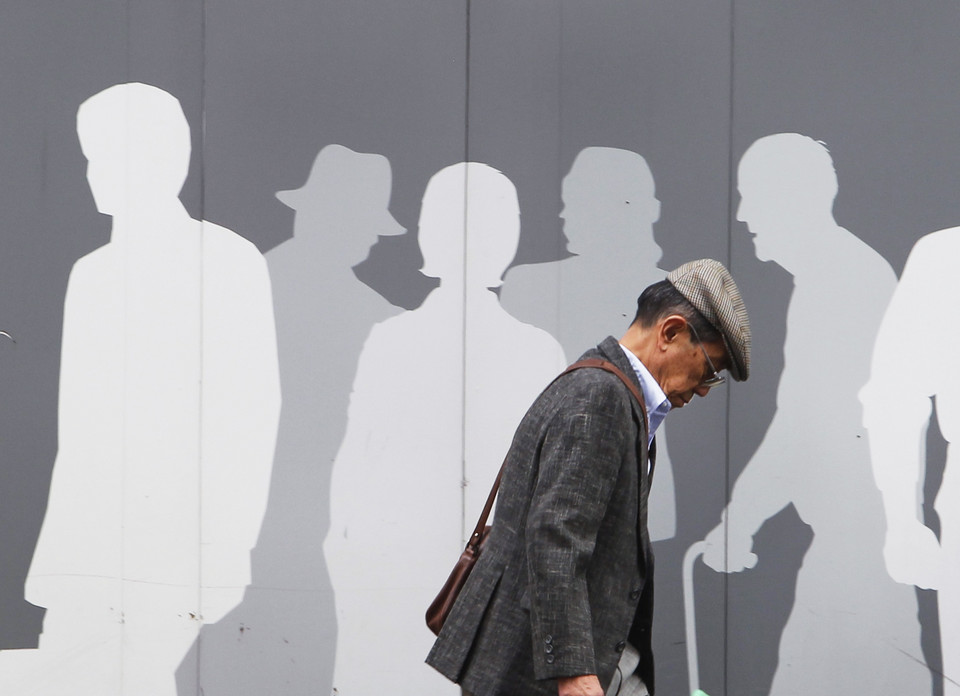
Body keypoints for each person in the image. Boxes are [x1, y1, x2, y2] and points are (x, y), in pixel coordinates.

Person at [427, 258, 751, 696]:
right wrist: (574, 672)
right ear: (671, 332)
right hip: (539, 673)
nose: (705, 388)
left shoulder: (607, 388)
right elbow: (556, 537)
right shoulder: (600, 396)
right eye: (710, 369)